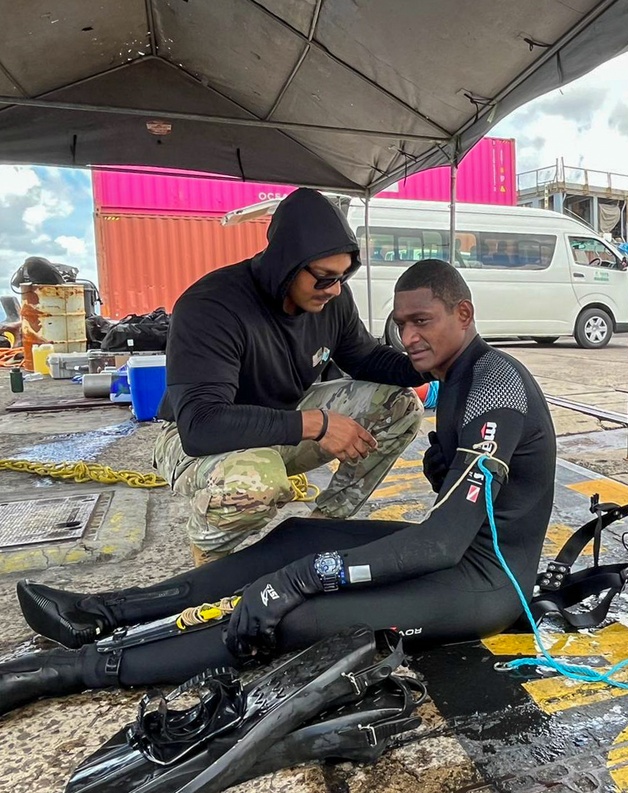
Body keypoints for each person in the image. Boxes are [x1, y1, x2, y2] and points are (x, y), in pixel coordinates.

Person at [3, 259, 557, 717]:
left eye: (422, 322)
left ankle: (72, 671)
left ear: (464, 314)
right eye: (401, 324)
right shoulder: (455, 378)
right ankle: (102, 612)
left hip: (486, 583)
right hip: (455, 556)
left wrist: (305, 579)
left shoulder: (496, 385)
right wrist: (302, 562)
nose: (409, 338)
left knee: (290, 614)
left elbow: (440, 542)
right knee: (293, 538)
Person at [154, 188, 426, 567]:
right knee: (258, 482)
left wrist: (428, 362)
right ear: (286, 263)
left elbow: (364, 357)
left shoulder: (332, 300)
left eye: (343, 277)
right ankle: (210, 555)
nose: (334, 289)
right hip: (196, 440)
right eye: (324, 278)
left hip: (284, 419)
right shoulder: (212, 307)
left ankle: (321, 528)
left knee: (400, 405)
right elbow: (201, 425)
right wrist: (315, 424)